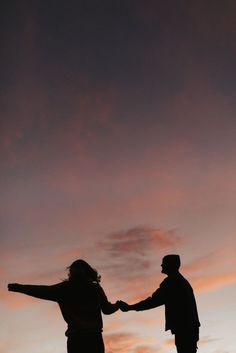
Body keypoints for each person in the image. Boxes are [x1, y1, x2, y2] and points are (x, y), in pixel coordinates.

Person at [8, 259, 119, 353]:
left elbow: (42, 291)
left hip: (79, 339)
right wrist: (117, 305)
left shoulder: (67, 289)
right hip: (91, 338)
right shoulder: (93, 288)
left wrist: (20, 288)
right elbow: (107, 309)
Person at [118, 254, 200, 353]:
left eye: (164, 263)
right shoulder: (181, 281)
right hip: (189, 328)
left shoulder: (171, 282)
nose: (161, 265)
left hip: (184, 329)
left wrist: (129, 307)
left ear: (170, 265)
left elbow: (152, 301)